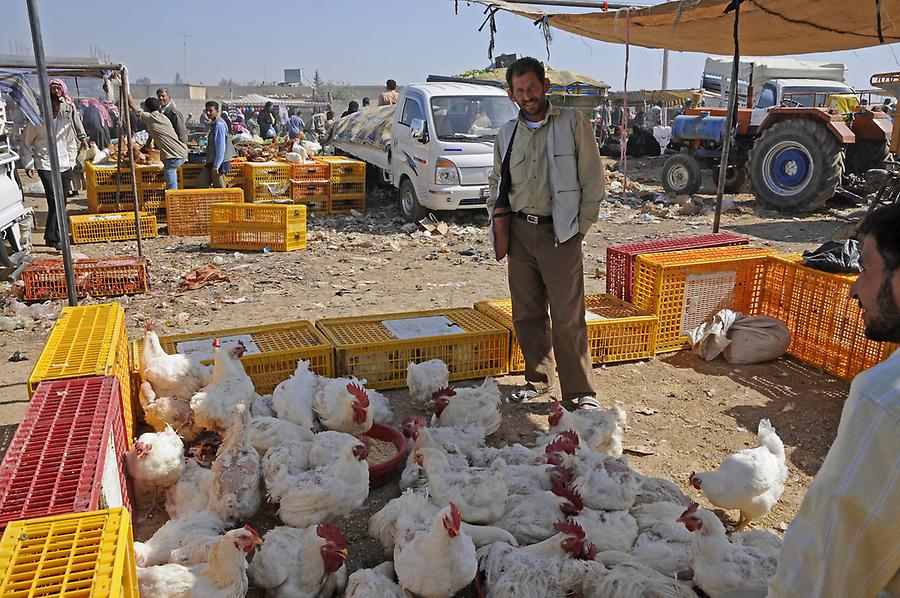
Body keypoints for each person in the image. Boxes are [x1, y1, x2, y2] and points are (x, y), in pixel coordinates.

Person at [486, 57, 604, 408]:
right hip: (520, 234)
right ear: (511, 94)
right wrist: (498, 219)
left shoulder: (572, 124)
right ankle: (537, 380)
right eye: (520, 90)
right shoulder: (506, 134)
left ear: (545, 87)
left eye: (532, 88)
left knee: (568, 316)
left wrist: (579, 229)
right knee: (527, 313)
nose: (527, 96)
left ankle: (581, 392)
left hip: (561, 235)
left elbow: (593, 180)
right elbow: (496, 181)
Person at [20, 87, 79, 249]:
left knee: (62, 201)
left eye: (57, 104)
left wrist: (71, 161)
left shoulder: (64, 123)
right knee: (55, 200)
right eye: (51, 104)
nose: (55, 108)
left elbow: (71, 144)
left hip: (64, 165)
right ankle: (58, 236)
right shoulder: (36, 123)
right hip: (45, 165)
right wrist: (29, 164)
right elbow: (26, 145)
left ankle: (51, 235)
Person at [127, 93, 188, 190]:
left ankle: (173, 200)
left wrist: (125, 89)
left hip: (173, 156)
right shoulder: (162, 117)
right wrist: (147, 144)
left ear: (146, 108)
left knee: (170, 176)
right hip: (181, 152)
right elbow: (155, 132)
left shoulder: (150, 118)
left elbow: (132, 106)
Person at [199, 101, 235, 189]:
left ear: (217, 111)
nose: (208, 113)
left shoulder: (219, 125)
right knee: (202, 183)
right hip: (212, 161)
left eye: (211, 110)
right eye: (206, 111)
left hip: (220, 163)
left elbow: (221, 147)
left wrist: (216, 165)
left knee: (220, 187)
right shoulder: (214, 123)